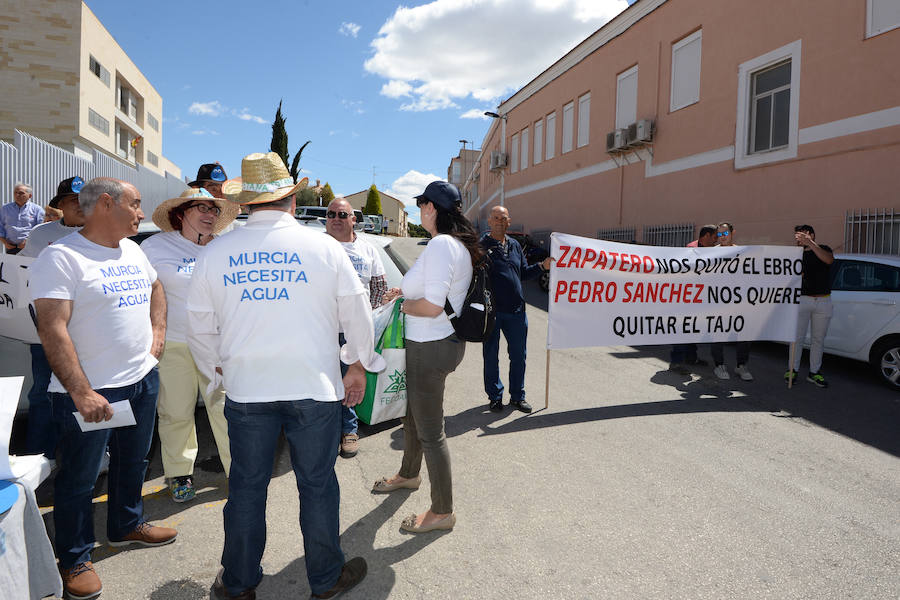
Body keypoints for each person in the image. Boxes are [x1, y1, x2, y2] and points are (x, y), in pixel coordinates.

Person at [186, 152, 382, 600]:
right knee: (317, 485)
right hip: (313, 388)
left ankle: (237, 582)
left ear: (246, 203)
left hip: (248, 390)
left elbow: (198, 323)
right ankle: (325, 578)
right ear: (292, 198)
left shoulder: (217, 251)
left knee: (247, 487)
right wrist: (356, 365)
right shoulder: (325, 247)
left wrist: (217, 370)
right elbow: (357, 316)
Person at [29, 177, 176, 600]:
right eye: (135, 204)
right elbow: (51, 327)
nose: (141, 213)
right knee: (79, 478)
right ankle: (74, 557)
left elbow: (155, 287)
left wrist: (158, 336)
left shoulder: (133, 249)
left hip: (141, 381)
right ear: (107, 204)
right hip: (92, 394)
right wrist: (80, 391)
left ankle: (126, 525)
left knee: (134, 461)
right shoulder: (62, 258)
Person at [372, 181, 476, 534]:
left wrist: (399, 304)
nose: (420, 212)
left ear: (431, 208)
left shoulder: (443, 245)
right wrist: (405, 293)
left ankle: (442, 511)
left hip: (431, 348)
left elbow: (431, 307)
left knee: (431, 432)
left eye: (421, 206)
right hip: (431, 345)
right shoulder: (449, 245)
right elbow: (434, 295)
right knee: (412, 418)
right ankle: (408, 474)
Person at [141, 188, 239, 502]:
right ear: (181, 213)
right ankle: (179, 474)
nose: (210, 216)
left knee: (226, 411)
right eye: (202, 208)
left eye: (214, 210)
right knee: (175, 412)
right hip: (174, 343)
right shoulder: (156, 246)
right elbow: (146, 291)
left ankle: (238, 473)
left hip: (218, 346)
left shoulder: (226, 248)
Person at [22, 176, 86, 464]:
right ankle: (38, 458)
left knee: (90, 392)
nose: (81, 206)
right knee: (43, 394)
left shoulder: (104, 233)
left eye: (86, 200)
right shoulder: (39, 235)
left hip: (88, 333)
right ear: (60, 205)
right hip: (47, 334)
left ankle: (90, 457)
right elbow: (22, 275)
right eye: (73, 201)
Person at [324, 198, 387, 459]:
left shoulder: (368, 250)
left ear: (353, 220)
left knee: (350, 381)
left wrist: (364, 319)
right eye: (330, 214)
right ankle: (323, 434)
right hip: (321, 329)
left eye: (342, 214)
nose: (336, 219)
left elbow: (379, 287)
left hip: (353, 332)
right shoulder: (317, 247)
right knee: (322, 385)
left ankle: (349, 432)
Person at [479, 205, 551, 413]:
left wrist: (541, 267)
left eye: (504, 219)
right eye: (496, 218)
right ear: (489, 222)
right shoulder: (482, 246)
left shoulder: (515, 245)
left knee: (519, 355)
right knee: (491, 355)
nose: (500, 221)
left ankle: (518, 397)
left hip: (517, 311)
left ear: (509, 222)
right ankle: (494, 396)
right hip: (492, 312)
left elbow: (522, 274)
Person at [787, 224, 834, 388]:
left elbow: (828, 260)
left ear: (811, 235)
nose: (798, 238)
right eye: (797, 235)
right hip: (802, 300)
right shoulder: (794, 254)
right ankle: (792, 370)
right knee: (796, 338)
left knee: (818, 340)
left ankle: (815, 372)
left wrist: (811, 244)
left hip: (823, 300)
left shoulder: (823, 248)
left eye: (802, 235)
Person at [670, 224, 717, 371]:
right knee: (683, 328)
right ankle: (676, 362)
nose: (716, 241)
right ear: (707, 236)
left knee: (692, 328)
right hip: (687, 296)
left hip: (700, 296)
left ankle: (691, 358)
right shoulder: (691, 249)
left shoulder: (711, 250)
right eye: (715, 237)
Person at [710, 222, 753, 381]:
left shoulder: (742, 252)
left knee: (744, 334)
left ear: (732, 232)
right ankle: (719, 365)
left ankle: (741, 365)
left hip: (739, 301)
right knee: (718, 335)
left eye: (725, 233)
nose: (722, 237)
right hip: (717, 302)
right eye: (719, 235)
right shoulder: (711, 254)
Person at [1, 182, 44, 254]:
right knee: (12, 265)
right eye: (15, 192)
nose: (17, 195)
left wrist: (29, 241)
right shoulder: (5, 209)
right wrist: (4, 241)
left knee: (29, 265)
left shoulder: (37, 209)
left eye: (21, 193)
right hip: (10, 247)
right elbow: (1, 226)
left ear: (30, 195)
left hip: (30, 247)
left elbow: (41, 228)